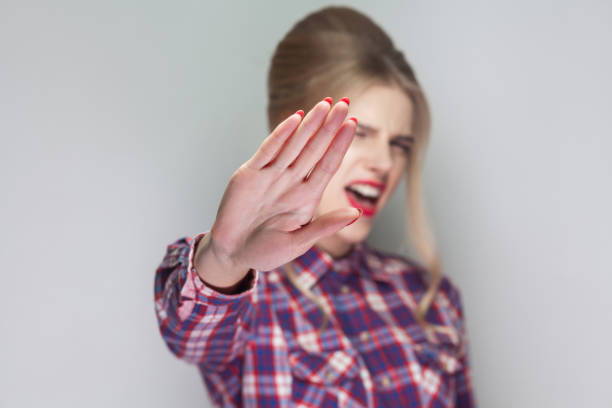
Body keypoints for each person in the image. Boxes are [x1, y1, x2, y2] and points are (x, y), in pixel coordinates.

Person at [154, 6, 476, 407]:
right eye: (359, 134)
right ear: (291, 131)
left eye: (400, 145)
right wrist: (224, 256)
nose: (385, 163)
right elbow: (187, 331)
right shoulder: (245, 299)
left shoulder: (431, 299)